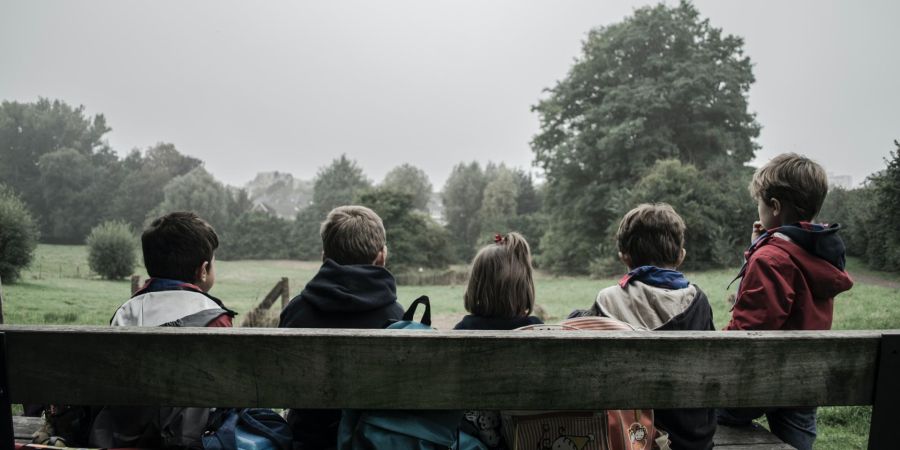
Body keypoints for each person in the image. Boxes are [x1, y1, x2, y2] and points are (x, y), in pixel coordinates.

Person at [717, 153, 853, 450]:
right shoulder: (820, 252)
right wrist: (761, 244)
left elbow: (750, 330)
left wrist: (762, 252)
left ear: (774, 206)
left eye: (760, 203)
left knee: (700, 412)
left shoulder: (771, 259)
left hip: (759, 381)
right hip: (804, 380)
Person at [569, 203, 715, 450]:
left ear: (624, 257)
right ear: (681, 256)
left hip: (626, 438)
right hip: (692, 439)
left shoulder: (607, 300)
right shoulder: (699, 302)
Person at [89, 211, 236, 449]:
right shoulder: (215, 317)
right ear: (204, 270)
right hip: (192, 438)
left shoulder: (126, 312)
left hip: (126, 435)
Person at [279, 205, 404, 450]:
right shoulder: (397, 317)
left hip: (306, 440)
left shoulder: (297, 311)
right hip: (371, 442)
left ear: (325, 255)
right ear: (381, 256)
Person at [454, 232, 542, 450]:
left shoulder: (462, 332)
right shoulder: (536, 330)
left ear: (475, 286)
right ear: (524, 286)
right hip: (531, 436)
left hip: (476, 440)